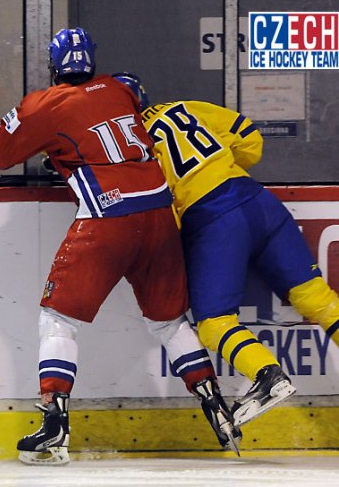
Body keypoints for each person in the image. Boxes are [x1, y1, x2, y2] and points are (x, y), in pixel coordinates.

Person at [0, 28, 241, 464]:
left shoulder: (45, 104)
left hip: (108, 218)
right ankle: (218, 410)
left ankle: (55, 428)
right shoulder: (120, 88)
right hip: (158, 213)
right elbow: (99, 124)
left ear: (54, 64)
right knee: (170, 323)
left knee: (57, 320)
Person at [117, 73, 339, 428]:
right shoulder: (183, 107)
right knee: (317, 299)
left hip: (215, 220)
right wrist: (225, 171)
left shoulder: (132, 145)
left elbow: (160, 212)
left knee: (214, 323)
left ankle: (267, 376)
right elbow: (248, 135)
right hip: (259, 201)